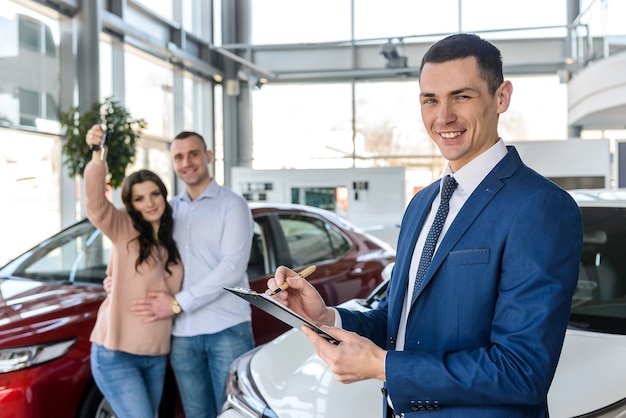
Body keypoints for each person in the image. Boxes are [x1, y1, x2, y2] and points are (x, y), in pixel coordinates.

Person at [268, 33, 583, 417]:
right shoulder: (422, 204)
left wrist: (382, 366)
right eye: (430, 100)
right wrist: (327, 316)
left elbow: (521, 371)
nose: (443, 116)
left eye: (461, 96)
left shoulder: (540, 207)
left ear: (501, 97)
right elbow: (398, 322)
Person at [130, 131, 255, 418]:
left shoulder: (232, 204)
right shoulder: (169, 209)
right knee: (196, 414)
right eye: (178, 157)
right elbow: (147, 256)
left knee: (234, 413)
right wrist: (117, 279)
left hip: (227, 329)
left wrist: (178, 302)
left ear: (208, 156)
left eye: (193, 154)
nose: (186, 162)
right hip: (182, 334)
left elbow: (232, 268)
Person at [84, 125, 183, 418]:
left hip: (155, 355)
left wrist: (175, 305)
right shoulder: (123, 229)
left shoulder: (171, 240)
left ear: (164, 195)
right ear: (131, 204)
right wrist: (96, 154)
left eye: (154, 194)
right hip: (116, 354)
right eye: (139, 198)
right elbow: (95, 204)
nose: (150, 203)